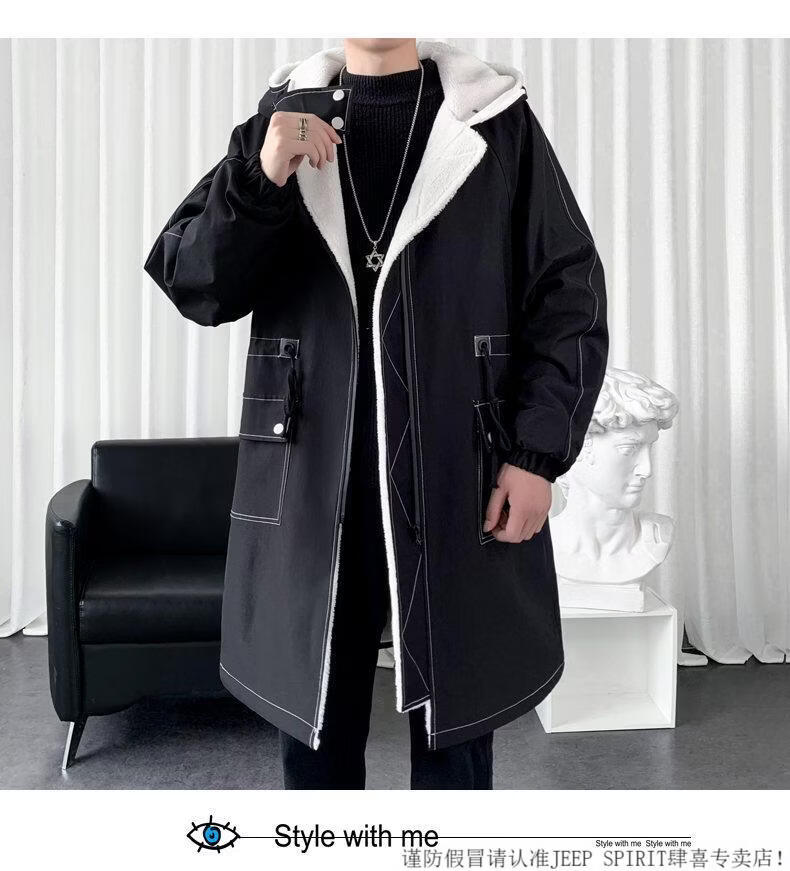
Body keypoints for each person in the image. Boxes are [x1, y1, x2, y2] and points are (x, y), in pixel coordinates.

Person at [144, 37, 609, 790]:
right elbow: (196, 280)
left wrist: (535, 454)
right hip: (311, 477)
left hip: (458, 473)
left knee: (456, 728)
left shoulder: (494, 122)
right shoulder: (280, 120)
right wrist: (265, 174)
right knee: (316, 731)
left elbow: (569, 294)